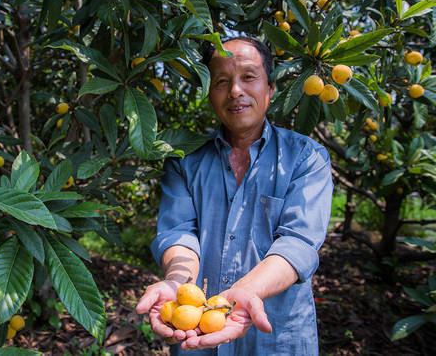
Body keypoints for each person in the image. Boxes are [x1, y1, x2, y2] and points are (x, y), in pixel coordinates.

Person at [136, 37, 333, 355]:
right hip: (196, 336)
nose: (236, 91)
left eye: (249, 77)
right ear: (209, 94)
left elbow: (298, 243)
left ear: (270, 90)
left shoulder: (306, 158)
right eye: (221, 81)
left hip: (277, 339)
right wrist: (177, 283)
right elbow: (179, 233)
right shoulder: (184, 159)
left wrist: (246, 291)